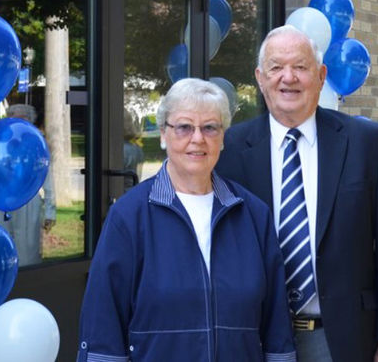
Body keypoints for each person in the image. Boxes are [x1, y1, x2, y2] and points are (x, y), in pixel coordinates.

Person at [216, 25, 378, 362]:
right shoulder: (230, 149)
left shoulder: (367, 143)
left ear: (322, 75)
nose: (288, 78)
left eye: (300, 66)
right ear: (260, 78)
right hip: (257, 339)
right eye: (276, 67)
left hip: (343, 338)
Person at [78, 78, 295, 361]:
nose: (197, 138)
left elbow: (276, 325)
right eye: (184, 127)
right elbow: (103, 323)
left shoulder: (252, 215)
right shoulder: (130, 216)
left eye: (209, 127)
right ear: (164, 135)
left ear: (222, 137)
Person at [0, 103, 56, 265]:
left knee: (28, 248)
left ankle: (27, 281)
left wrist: (50, 211)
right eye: (14, 121)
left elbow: (47, 178)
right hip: (1, 198)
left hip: (28, 200)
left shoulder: (37, 145)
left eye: (23, 122)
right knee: (0, 243)